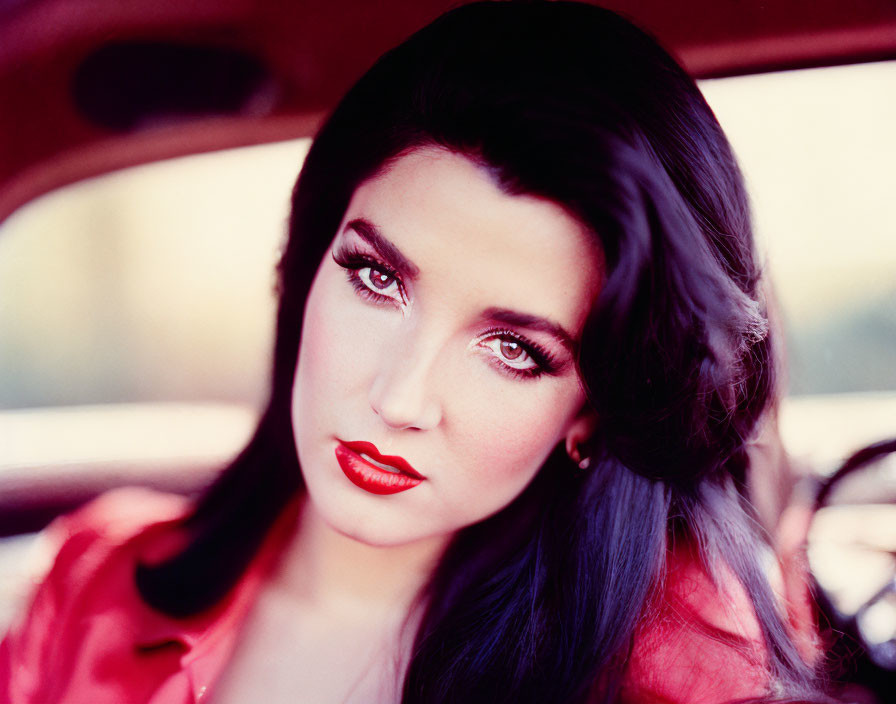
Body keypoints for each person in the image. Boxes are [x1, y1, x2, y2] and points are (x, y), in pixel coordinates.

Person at [0, 2, 824, 702]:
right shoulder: (96, 583)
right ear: (311, 265)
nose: (398, 398)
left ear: (591, 412)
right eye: (376, 278)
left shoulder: (682, 673)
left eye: (513, 349)